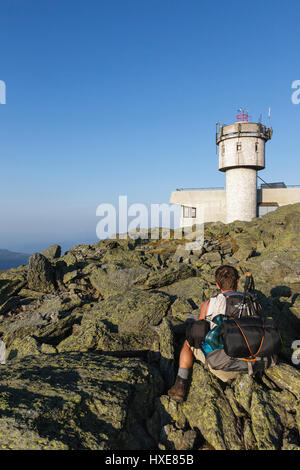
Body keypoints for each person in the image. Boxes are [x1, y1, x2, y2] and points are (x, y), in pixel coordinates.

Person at [168, 265, 241, 403]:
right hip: (253, 365)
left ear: (217, 285)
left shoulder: (209, 304)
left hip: (225, 368)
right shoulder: (252, 301)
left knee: (189, 342)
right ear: (237, 282)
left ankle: (180, 384)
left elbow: (199, 332)